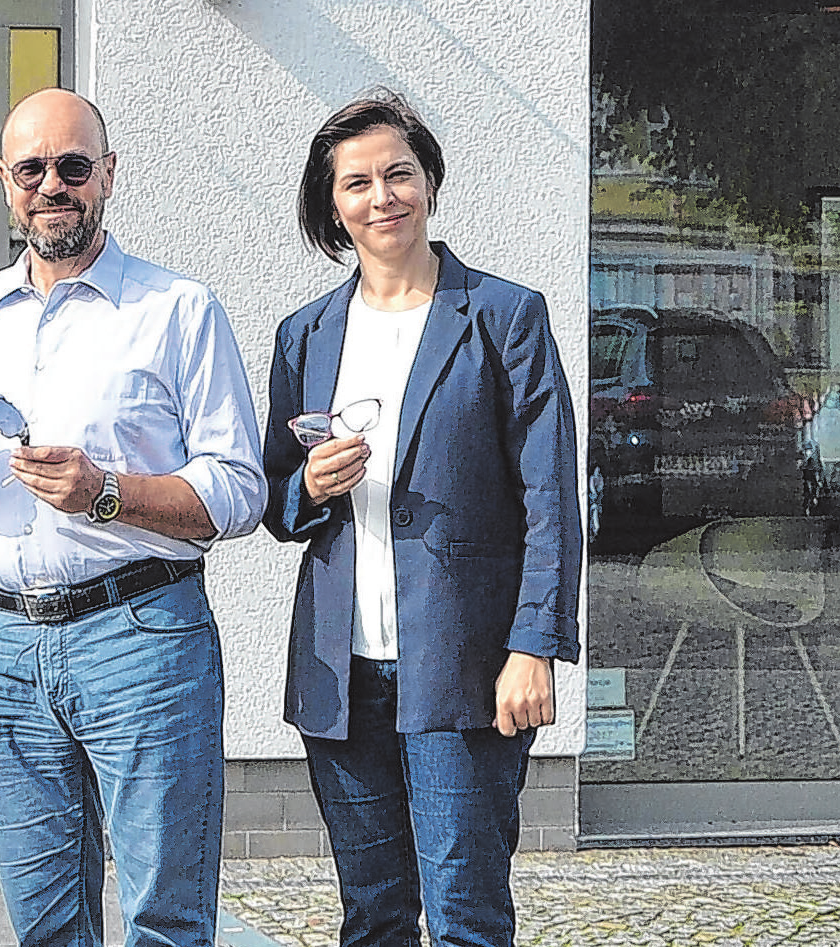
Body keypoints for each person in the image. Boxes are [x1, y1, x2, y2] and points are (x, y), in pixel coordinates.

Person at [0, 87, 266, 947]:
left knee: (163, 915)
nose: (52, 185)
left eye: (72, 166)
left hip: (140, 633)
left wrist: (107, 492)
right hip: (2, 647)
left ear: (107, 174)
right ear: (4, 181)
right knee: (43, 921)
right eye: (32, 169)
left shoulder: (177, 309)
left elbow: (239, 489)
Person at [260, 90, 582, 947]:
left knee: (467, 914)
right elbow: (275, 499)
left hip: (464, 664)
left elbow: (549, 497)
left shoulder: (504, 315)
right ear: (332, 206)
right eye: (356, 182)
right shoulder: (305, 335)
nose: (381, 196)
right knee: (370, 915)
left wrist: (534, 646)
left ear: (429, 182)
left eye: (398, 173)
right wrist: (311, 487)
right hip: (343, 671)